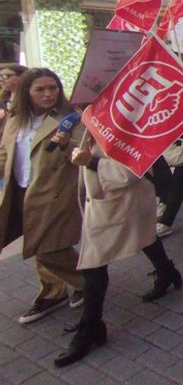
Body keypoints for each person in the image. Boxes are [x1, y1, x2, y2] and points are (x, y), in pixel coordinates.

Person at [53, 139, 183, 367]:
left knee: (94, 264)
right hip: (111, 206)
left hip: (122, 205)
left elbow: (130, 171)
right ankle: (167, 273)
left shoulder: (130, 126)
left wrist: (91, 162)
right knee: (146, 238)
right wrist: (68, 146)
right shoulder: (92, 121)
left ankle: (90, 327)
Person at [0, 69, 85, 324]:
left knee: (47, 247)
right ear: (27, 92)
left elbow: (84, 153)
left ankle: (89, 280)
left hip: (55, 191)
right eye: (40, 89)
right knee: (38, 242)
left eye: (53, 87)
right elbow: (5, 152)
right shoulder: (16, 118)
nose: (48, 94)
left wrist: (67, 144)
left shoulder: (70, 117)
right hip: (21, 190)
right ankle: (53, 291)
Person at [0, 64, 27, 134]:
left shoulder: (32, 100)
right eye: (0, 76)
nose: (1, 80)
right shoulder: (3, 101)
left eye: (6, 76)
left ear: (22, 77)